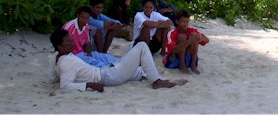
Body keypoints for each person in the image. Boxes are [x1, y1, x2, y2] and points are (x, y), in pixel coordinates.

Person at [48, 29, 187, 92]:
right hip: (107, 76)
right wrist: (88, 85)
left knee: (139, 70)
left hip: (107, 71)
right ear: (59, 47)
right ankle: (157, 82)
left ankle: (164, 80)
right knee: (142, 46)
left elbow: (53, 78)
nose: (72, 44)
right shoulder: (65, 62)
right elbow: (65, 86)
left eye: (71, 41)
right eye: (68, 43)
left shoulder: (55, 57)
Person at [164, 9, 209, 74]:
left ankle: (193, 64)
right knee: (182, 36)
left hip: (188, 56)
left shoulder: (190, 30)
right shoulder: (172, 33)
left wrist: (200, 38)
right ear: (177, 21)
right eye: (183, 21)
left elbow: (207, 40)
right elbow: (173, 49)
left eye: (187, 21)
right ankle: (182, 65)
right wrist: (188, 42)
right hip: (174, 58)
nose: (185, 24)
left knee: (194, 35)